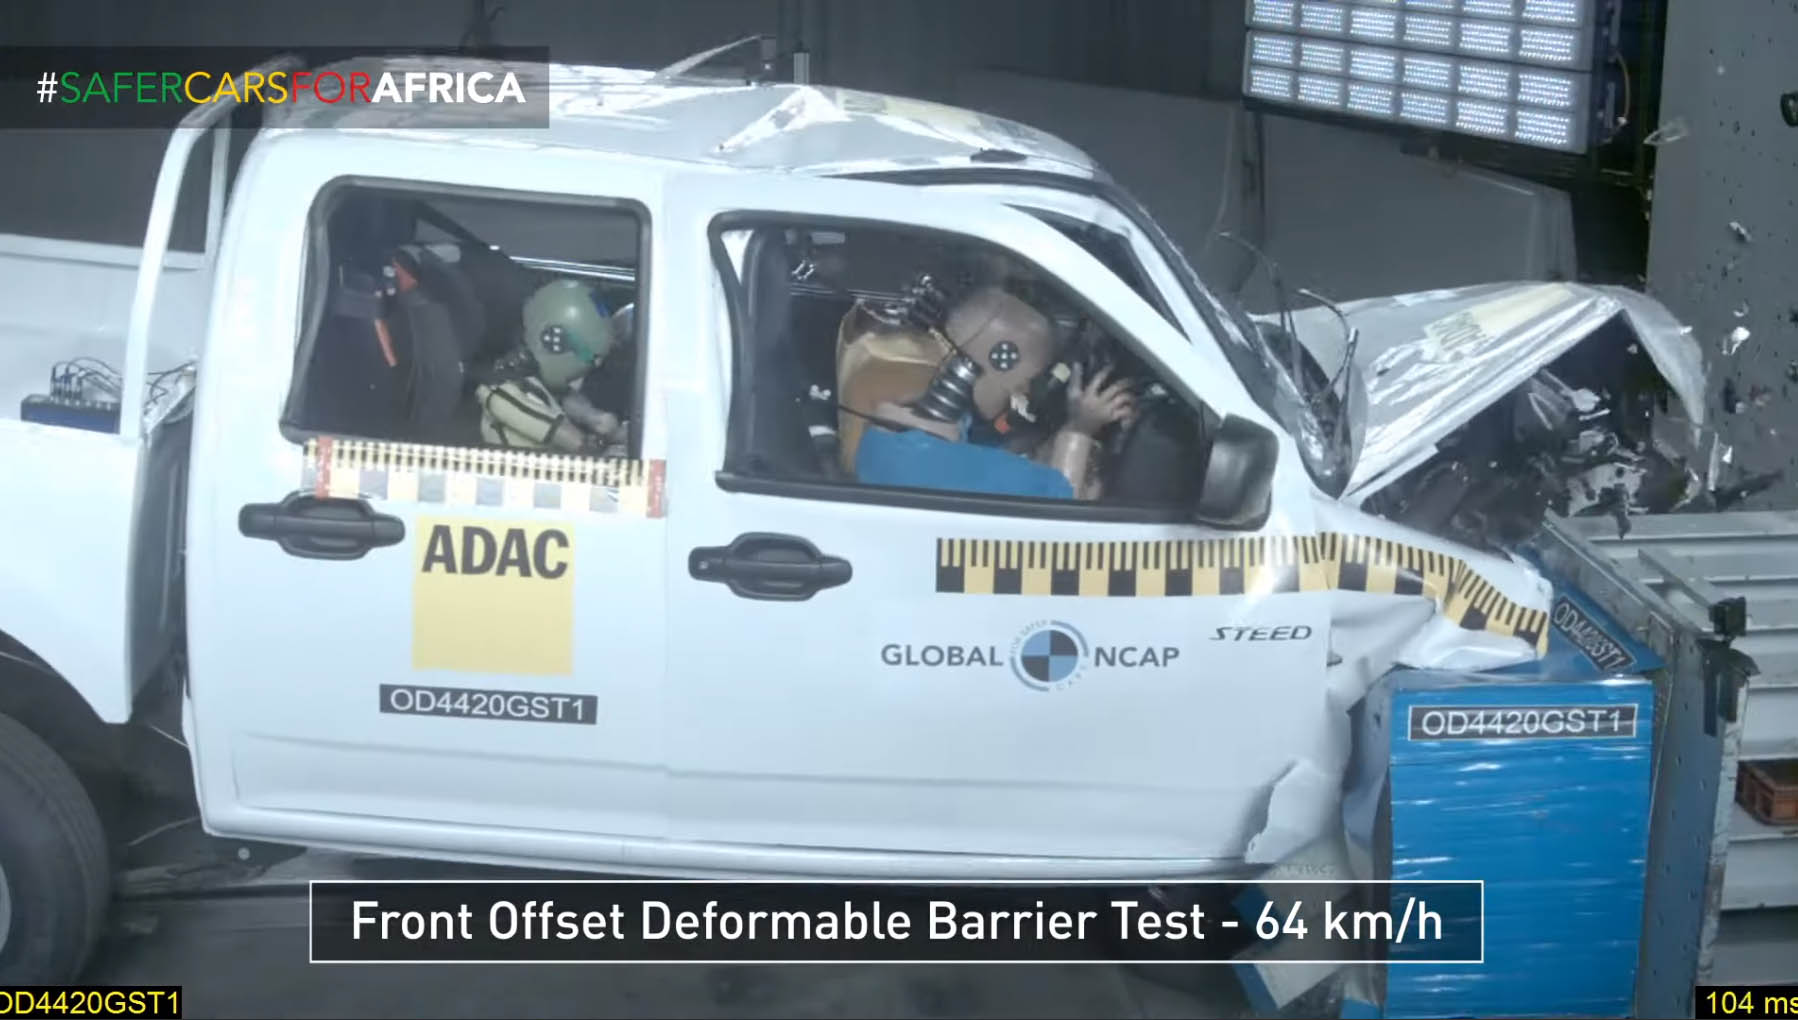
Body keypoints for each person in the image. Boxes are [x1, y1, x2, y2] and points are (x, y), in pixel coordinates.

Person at [852, 285, 1136, 500]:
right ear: (995, 362)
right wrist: (1080, 430)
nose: (1024, 391)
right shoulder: (929, 459)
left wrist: (1049, 442)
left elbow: (987, 452)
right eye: (1025, 380)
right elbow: (1058, 509)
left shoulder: (893, 431)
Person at [475, 279, 629, 457]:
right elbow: (571, 440)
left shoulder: (536, 380)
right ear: (554, 343)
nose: (581, 378)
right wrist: (602, 449)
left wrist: (594, 418)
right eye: (589, 361)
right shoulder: (502, 393)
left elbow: (563, 397)